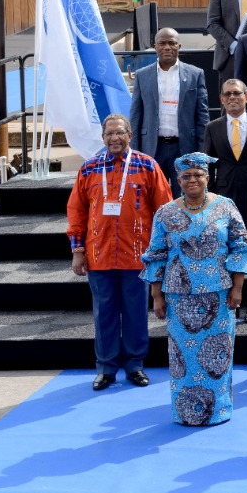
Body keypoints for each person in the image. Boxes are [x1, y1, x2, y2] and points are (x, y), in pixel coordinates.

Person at [142, 153, 247, 426]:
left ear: (207, 177)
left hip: (219, 296)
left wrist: (238, 288)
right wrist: (157, 296)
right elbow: (156, 255)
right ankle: (185, 412)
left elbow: (240, 246)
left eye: (198, 175)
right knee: (183, 356)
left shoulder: (226, 207)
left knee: (220, 354)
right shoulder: (165, 213)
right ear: (178, 180)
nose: (192, 180)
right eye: (186, 176)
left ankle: (218, 411)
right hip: (179, 298)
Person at [66, 114, 173, 391]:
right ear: (103, 138)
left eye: (119, 133)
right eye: (109, 134)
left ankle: (135, 365)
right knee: (104, 314)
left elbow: (165, 210)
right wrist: (77, 250)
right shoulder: (88, 169)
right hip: (99, 255)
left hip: (137, 256)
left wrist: (161, 252)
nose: (114, 138)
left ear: (130, 135)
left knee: (136, 312)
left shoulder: (148, 166)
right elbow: (76, 211)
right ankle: (106, 367)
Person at [203, 78, 247, 324]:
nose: (233, 98)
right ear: (221, 99)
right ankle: (229, 299)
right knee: (225, 249)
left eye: (237, 93)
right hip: (223, 199)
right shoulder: (212, 127)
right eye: (228, 94)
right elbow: (207, 167)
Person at [128, 27, 208, 185]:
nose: (167, 47)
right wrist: (135, 152)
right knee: (153, 198)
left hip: (184, 148)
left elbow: (202, 116)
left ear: (179, 46)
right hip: (152, 148)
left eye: (171, 43)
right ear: (155, 46)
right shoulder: (142, 75)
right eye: (162, 43)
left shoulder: (195, 74)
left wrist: (200, 151)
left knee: (185, 199)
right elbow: (136, 115)